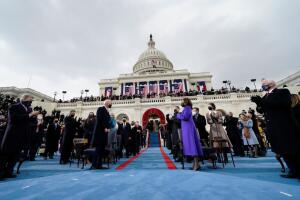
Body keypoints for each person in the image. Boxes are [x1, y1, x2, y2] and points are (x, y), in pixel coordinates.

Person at [251, 79, 300, 179]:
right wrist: (258, 103)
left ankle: (298, 171)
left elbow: (283, 103)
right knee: (282, 150)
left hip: (285, 126)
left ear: (271, 84)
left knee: (292, 149)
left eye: (264, 84)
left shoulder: (282, 92)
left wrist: (264, 102)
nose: (263, 86)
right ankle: (293, 170)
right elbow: (261, 110)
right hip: (273, 127)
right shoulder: (265, 96)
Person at [0, 94, 39, 179]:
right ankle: (1, 173)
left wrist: (34, 117)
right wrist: (30, 115)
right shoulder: (14, 107)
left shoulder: (29, 109)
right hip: (12, 135)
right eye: (30, 99)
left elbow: (29, 122)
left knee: (15, 155)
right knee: (5, 154)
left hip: (22, 136)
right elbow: (14, 119)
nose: (31, 101)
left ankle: (9, 172)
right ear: (24, 99)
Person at [176, 98, 203, 171]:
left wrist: (178, 114)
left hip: (188, 128)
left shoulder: (187, 108)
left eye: (182, 101)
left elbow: (185, 117)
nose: (181, 102)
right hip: (186, 128)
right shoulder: (186, 108)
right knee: (191, 145)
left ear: (185, 102)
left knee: (192, 144)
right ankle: (195, 163)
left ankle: (196, 164)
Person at [91, 100, 111, 169]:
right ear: (107, 103)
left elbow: (107, 120)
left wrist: (108, 128)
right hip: (100, 132)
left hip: (104, 133)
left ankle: (99, 165)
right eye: (110, 103)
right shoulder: (101, 109)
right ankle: (94, 165)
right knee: (98, 149)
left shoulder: (107, 111)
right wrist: (105, 127)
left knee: (101, 149)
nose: (111, 104)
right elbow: (101, 119)